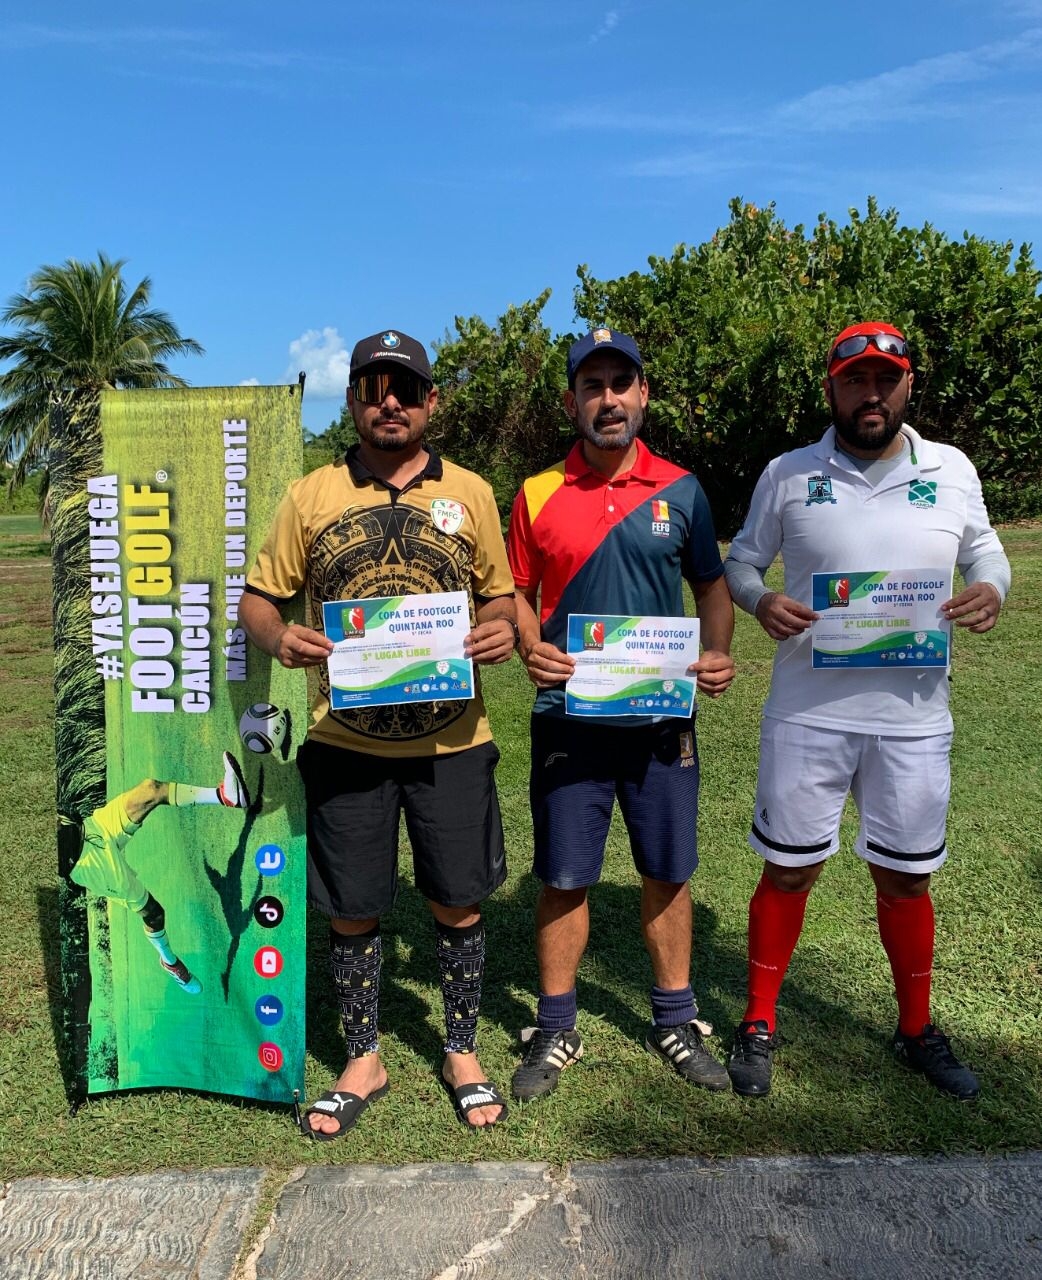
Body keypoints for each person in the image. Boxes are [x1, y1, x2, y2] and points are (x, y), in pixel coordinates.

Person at [238, 329, 517, 1139]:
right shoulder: (310, 496)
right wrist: (278, 637)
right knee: (352, 909)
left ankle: (460, 1050)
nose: (388, 401)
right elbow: (259, 597)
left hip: (453, 741)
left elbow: (499, 597)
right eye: (371, 387)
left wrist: (499, 629)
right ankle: (364, 1057)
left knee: (456, 898)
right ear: (353, 399)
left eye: (405, 387)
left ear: (432, 401)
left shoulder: (471, 492)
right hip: (345, 742)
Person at [724, 321, 1011, 1101]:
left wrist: (993, 587)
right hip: (807, 713)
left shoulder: (951, 468)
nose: (872, 393)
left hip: (913, 717)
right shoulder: (788, 471)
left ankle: (915, 1029)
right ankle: (757, 1021)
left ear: (909, 384)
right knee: (788, 869)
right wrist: (760, 600)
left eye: (887, 378)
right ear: (832, 387)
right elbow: (742, 559)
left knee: (907, 880)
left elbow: (985, 550)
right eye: (856, 380)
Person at [505, 327, 736, 1101]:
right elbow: (513, 592)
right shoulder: (536, 493)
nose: (608, 399)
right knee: (565, 876)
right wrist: (529, 646)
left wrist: (716, 654)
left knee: (667, 870)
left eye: (621, 383)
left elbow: (710, 587)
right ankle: (556, 1024)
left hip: (661, 723)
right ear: (572, 401)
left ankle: (676, 1017)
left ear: (643, 395)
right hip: (567, 716)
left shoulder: (685, 490)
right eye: (591, 386)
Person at [63, 752, 251, 995]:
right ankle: (170, 962)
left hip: (91, 828)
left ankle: (226, 796)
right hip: (90, 864)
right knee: (154, 913)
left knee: (151, 789)